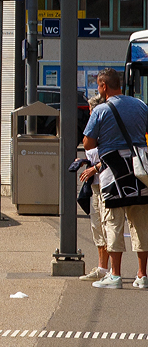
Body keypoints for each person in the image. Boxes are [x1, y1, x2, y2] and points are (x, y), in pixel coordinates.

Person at [82, 67, 148, 288]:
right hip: (140, 171)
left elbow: (88, 143)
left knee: (113, 223)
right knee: (141, 224)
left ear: (103, 86)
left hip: (113, 174)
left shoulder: (101, 110)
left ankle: (116, 275)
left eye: (98, 86)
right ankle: (142, 275)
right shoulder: (140, 105)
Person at [78, 87, 110, 282]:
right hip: (95, 185)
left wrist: (95, 168)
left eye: (92, 111)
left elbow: (110, 156)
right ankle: (102, 267)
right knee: (96, 225)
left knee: (107, 225)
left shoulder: (107, 131)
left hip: (107, 183)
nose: (90, 114)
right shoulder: (92, 132)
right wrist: (85, 162)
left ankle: (110, 269)